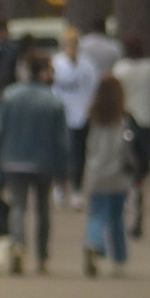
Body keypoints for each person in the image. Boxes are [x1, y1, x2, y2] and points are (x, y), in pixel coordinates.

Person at [0, 48, 68, 274]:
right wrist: (64, 171)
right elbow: (62, 141)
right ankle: (43, 257)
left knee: (17, 206)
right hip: (44, 163)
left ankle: (18, 245)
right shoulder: (54, 102)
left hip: (14, 160)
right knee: (43, 209)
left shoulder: (11, 95)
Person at [80, 73, 135, 273]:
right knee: (117, 218)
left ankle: (93, 243)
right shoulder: (126, 118)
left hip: (96, 175)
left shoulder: (91, 118)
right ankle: (119, 260)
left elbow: (80, 148)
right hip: (119, 176)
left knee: (97, 215)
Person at [115, 31, 150, 237]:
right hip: (145, 121)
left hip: (125, 121)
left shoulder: (120, 69)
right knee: (141, 165)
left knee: (125, 163)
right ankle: (138, 194)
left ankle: (126, 199)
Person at [51, 26, 99, 190]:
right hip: (61, 113)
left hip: (81, 115)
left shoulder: (87, 65)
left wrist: (90, 109)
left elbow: (93, 88)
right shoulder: (57, 63)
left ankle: (76, 186)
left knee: (78, 153)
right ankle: (60, 184)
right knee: (60, 152)